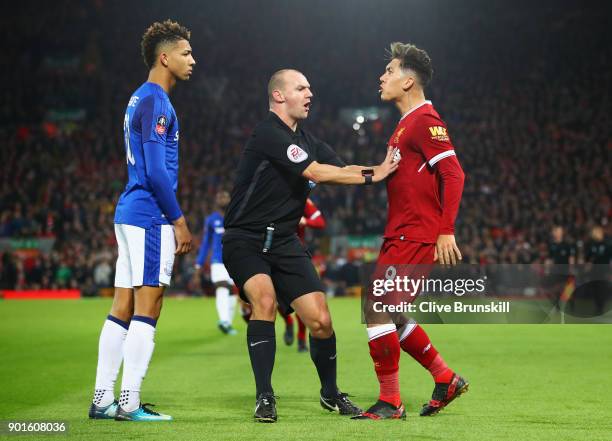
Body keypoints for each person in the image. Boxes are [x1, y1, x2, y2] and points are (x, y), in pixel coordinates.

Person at [222, 68, 399, 422]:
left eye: (310, 88)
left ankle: (330, 393)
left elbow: (341, 167)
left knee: (320, 321)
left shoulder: (308, 142)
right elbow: (317, 173)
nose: (309, 93)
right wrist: (374, 174)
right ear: (279, 96)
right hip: (246, 239)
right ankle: (265, 396)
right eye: (301, 88)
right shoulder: (267, 134)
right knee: (265, 300)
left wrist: (382, 168)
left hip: (285, 241)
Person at [353, 42, 467, 420]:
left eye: (389, 71)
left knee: (377, 308)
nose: (381, 77)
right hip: (402, 231)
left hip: (415, 233)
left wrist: (445, 230)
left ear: (407, 81)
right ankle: (444, 377)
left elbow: (454, 173)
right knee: (390, 311)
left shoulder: (424, 120)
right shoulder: (404, 125)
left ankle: (391, 401)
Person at [88, 20, 195, 422]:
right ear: (164, 57)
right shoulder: (156, 102)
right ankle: (129, 402)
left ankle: (103, 399)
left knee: (123, 305)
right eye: (185, 53)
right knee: (149, 306)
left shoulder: (139, 99)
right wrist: (179, 220)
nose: (192, 60)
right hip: (149, 216)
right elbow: (154, 171)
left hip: (130, 212)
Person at [194, 190, 238, 335]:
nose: (222, 198)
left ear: (230, 199)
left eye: (225, 196)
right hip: (218, 261)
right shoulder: (212, 220)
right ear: (216, 201)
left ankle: (228, 323)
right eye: (220, 196)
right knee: (222, 286)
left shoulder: (237, 216)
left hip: (235, 260)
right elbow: (206, 243)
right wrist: (199, 264)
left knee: (232, 291)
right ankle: (224, 320)